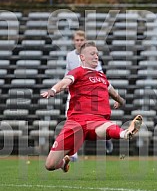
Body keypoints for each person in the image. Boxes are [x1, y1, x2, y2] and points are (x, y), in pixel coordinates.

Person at [41, 41, 143, 172]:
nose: (96, 56)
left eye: (97, 54)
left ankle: (126, 133)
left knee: (106, 127)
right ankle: (63, 163)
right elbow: (65, 82)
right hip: (76, 122)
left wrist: (121, 101)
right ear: (82, 57)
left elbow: (113, 92)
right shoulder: (78, 72)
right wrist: (53, 90)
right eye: (92, 54)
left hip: (97, 120)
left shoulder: (102, 76)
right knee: (50, 165)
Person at [65, 30, 113, 162]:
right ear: (74, 41)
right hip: (75, 95)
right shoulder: (69, 56)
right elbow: (68, 72)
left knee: (94, 122)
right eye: (77, 40)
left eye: (81, 40)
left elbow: (100, 75)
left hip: (90, 96)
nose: (79, 42)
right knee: (71, 121)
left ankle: (105, 139)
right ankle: (73, 153)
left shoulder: (92, 56)